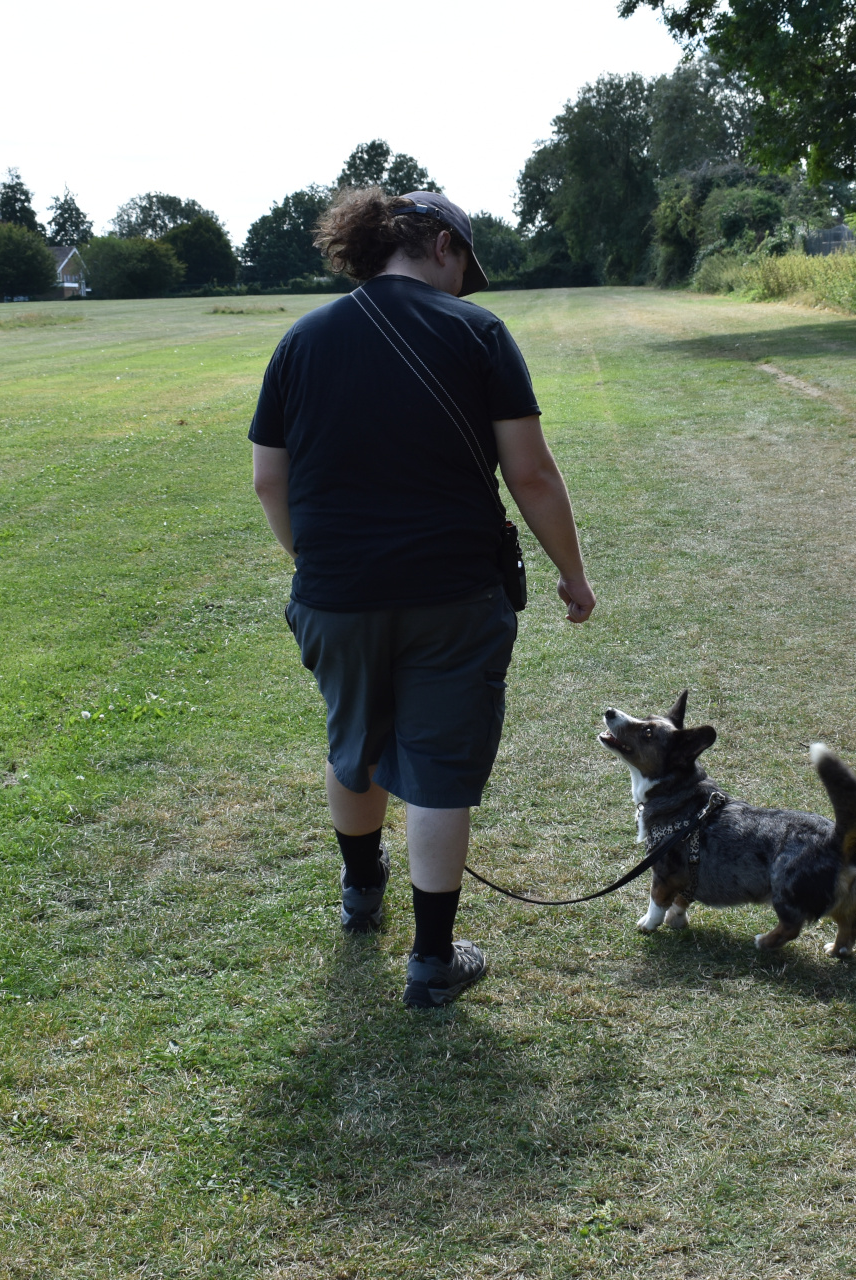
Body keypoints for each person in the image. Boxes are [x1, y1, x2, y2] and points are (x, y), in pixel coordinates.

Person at [248, 187, 596, 1009]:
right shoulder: (478, 334)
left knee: (355, 741)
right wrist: (572, 575)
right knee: (439, 769)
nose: (463, 290)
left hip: (335, 593)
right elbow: (532, 474)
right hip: (454, 592)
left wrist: (319, 562)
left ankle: (360, 897)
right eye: (464, 270)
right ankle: (433, 962)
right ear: (441, 243)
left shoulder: (300, 340)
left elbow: (270, 480)